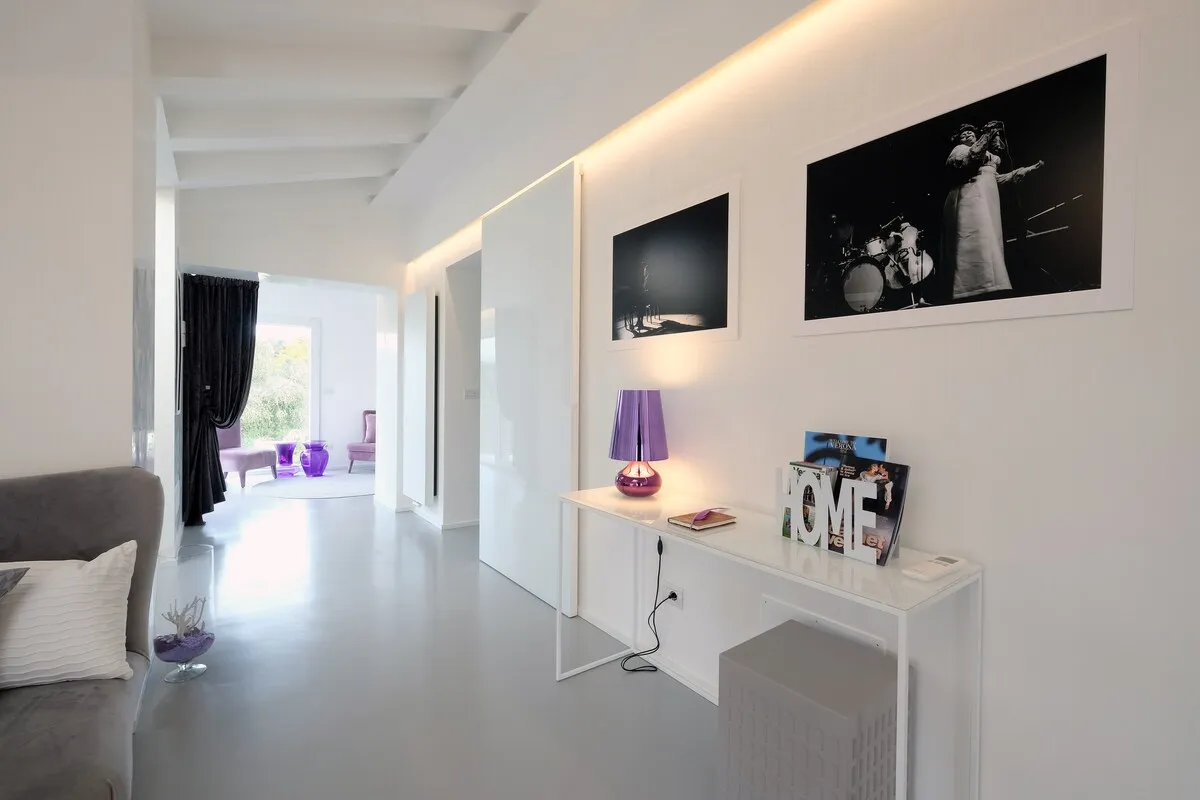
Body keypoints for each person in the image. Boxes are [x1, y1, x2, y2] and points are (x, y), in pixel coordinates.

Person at [942, 122, 1044, 300]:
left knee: (990, 239)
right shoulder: (960, 150)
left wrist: (1025, 170)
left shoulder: (988, 155)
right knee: (976, 237)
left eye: (970, 133)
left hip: (988, 199)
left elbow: (997, 178)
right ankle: (972, 286)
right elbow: (971, 160)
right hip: (970, 196)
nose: (967, 135)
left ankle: (991, 283)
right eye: (963, 134)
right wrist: (987, 135)